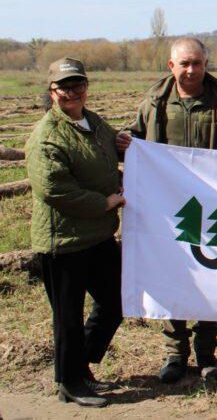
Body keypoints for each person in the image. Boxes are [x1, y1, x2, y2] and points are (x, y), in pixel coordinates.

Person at [116, 37, 217, 383]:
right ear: (171, 66)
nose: (191, 70)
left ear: (206, 64)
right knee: (173, 275)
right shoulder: (154, 105)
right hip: (170, 209)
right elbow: (136, 142)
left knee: (212, 275)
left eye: (197, 63)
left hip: (216, 207)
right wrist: (123, 144)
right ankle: (175, 353)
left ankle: (207, 353)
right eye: (184, 64)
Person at [26, 58, 125, 408]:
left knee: (116, 301)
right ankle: (70, 381)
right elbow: (55, 190)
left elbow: (111, 145)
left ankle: (79, 363)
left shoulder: (94, 122)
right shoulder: (46, 136)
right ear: (52, 92)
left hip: (98, 236)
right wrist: (104, 202)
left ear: (86, 86)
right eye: (64, 87)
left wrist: (123, 143)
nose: (72, 92)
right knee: (67, 315)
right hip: (63, 241)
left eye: (77, 85)